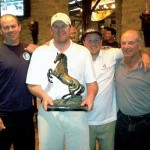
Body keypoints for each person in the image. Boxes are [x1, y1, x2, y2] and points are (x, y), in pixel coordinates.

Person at [26, 12, 98, 150]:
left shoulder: (83, 52)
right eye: (56, 26)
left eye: (63, 26)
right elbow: (32, 83)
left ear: (70, 28)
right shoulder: (40, 52)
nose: (60, 30)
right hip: (49, 112)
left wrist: (90, 96)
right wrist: (43, 96)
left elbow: (92, 82)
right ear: (51, 29)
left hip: (77, 112)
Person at [81, 28, 150, 150]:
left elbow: (132, 50)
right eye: (89, 40)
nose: (93, 43)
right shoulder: (77, 59)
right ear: (83, 42)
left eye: (97, 40)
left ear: (102, 42)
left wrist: (144, 55)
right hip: (84, 120)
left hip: (110, 120)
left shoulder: (111, 54)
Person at [0, 14, 37, 150]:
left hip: (26, 114)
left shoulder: (30, 49)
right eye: (6, 27)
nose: (11, 30)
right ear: (1, 31)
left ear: (19, 27)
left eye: (13, 26)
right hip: (3, 115)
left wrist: (38, 50)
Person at [115, 29, 150, 150]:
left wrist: (145, 55)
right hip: (122, 121)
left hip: (145, 123)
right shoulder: (117, 64)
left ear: (139, 45)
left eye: (131, 43)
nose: (126, 46)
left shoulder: (148, 66)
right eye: (123, 43)